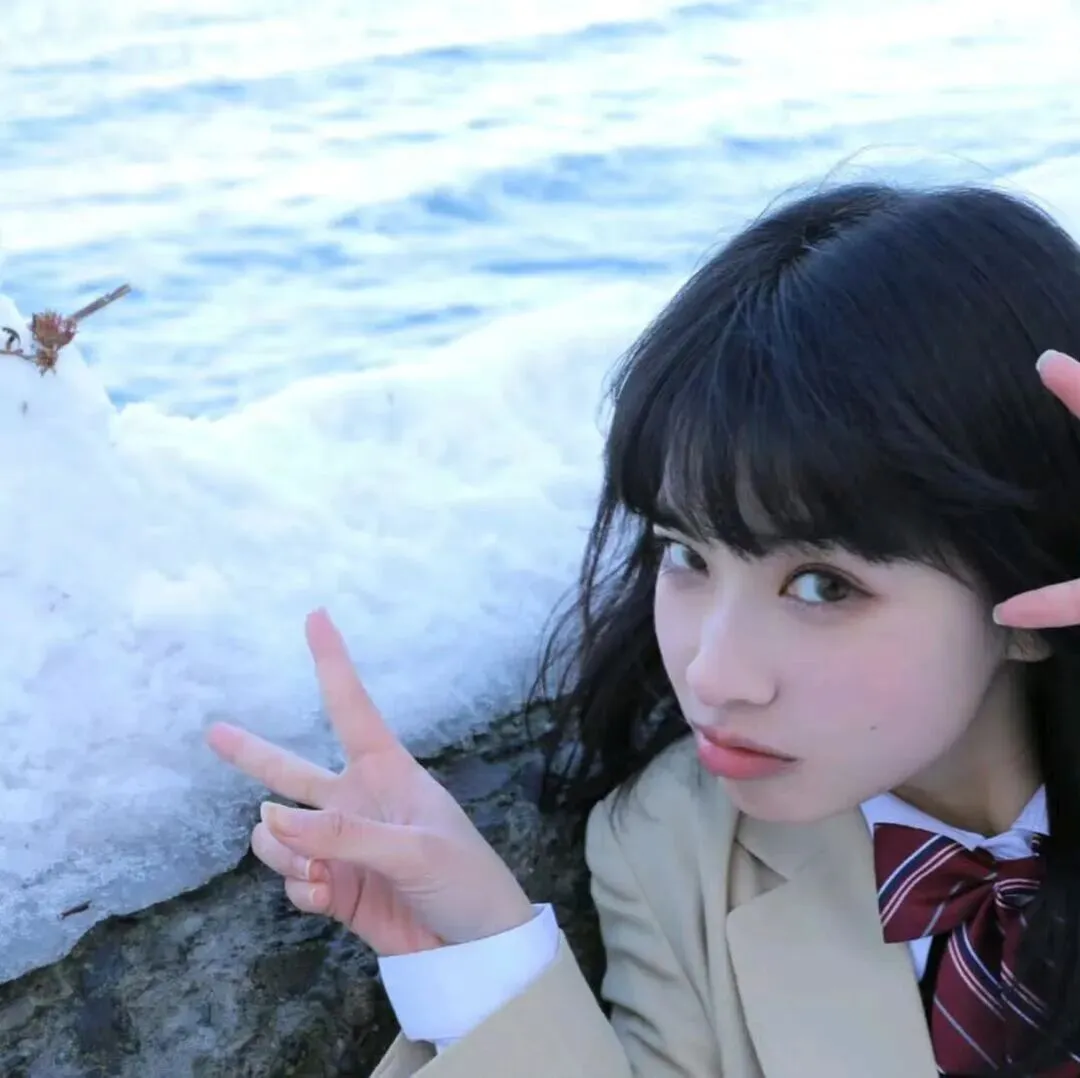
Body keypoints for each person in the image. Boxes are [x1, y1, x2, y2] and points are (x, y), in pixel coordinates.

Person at [206, 180, 1080, 1077]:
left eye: (823, 586)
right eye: (685, 553)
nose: (713, 673)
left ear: (1040, 581)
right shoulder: (679, 843)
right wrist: (481, 958)